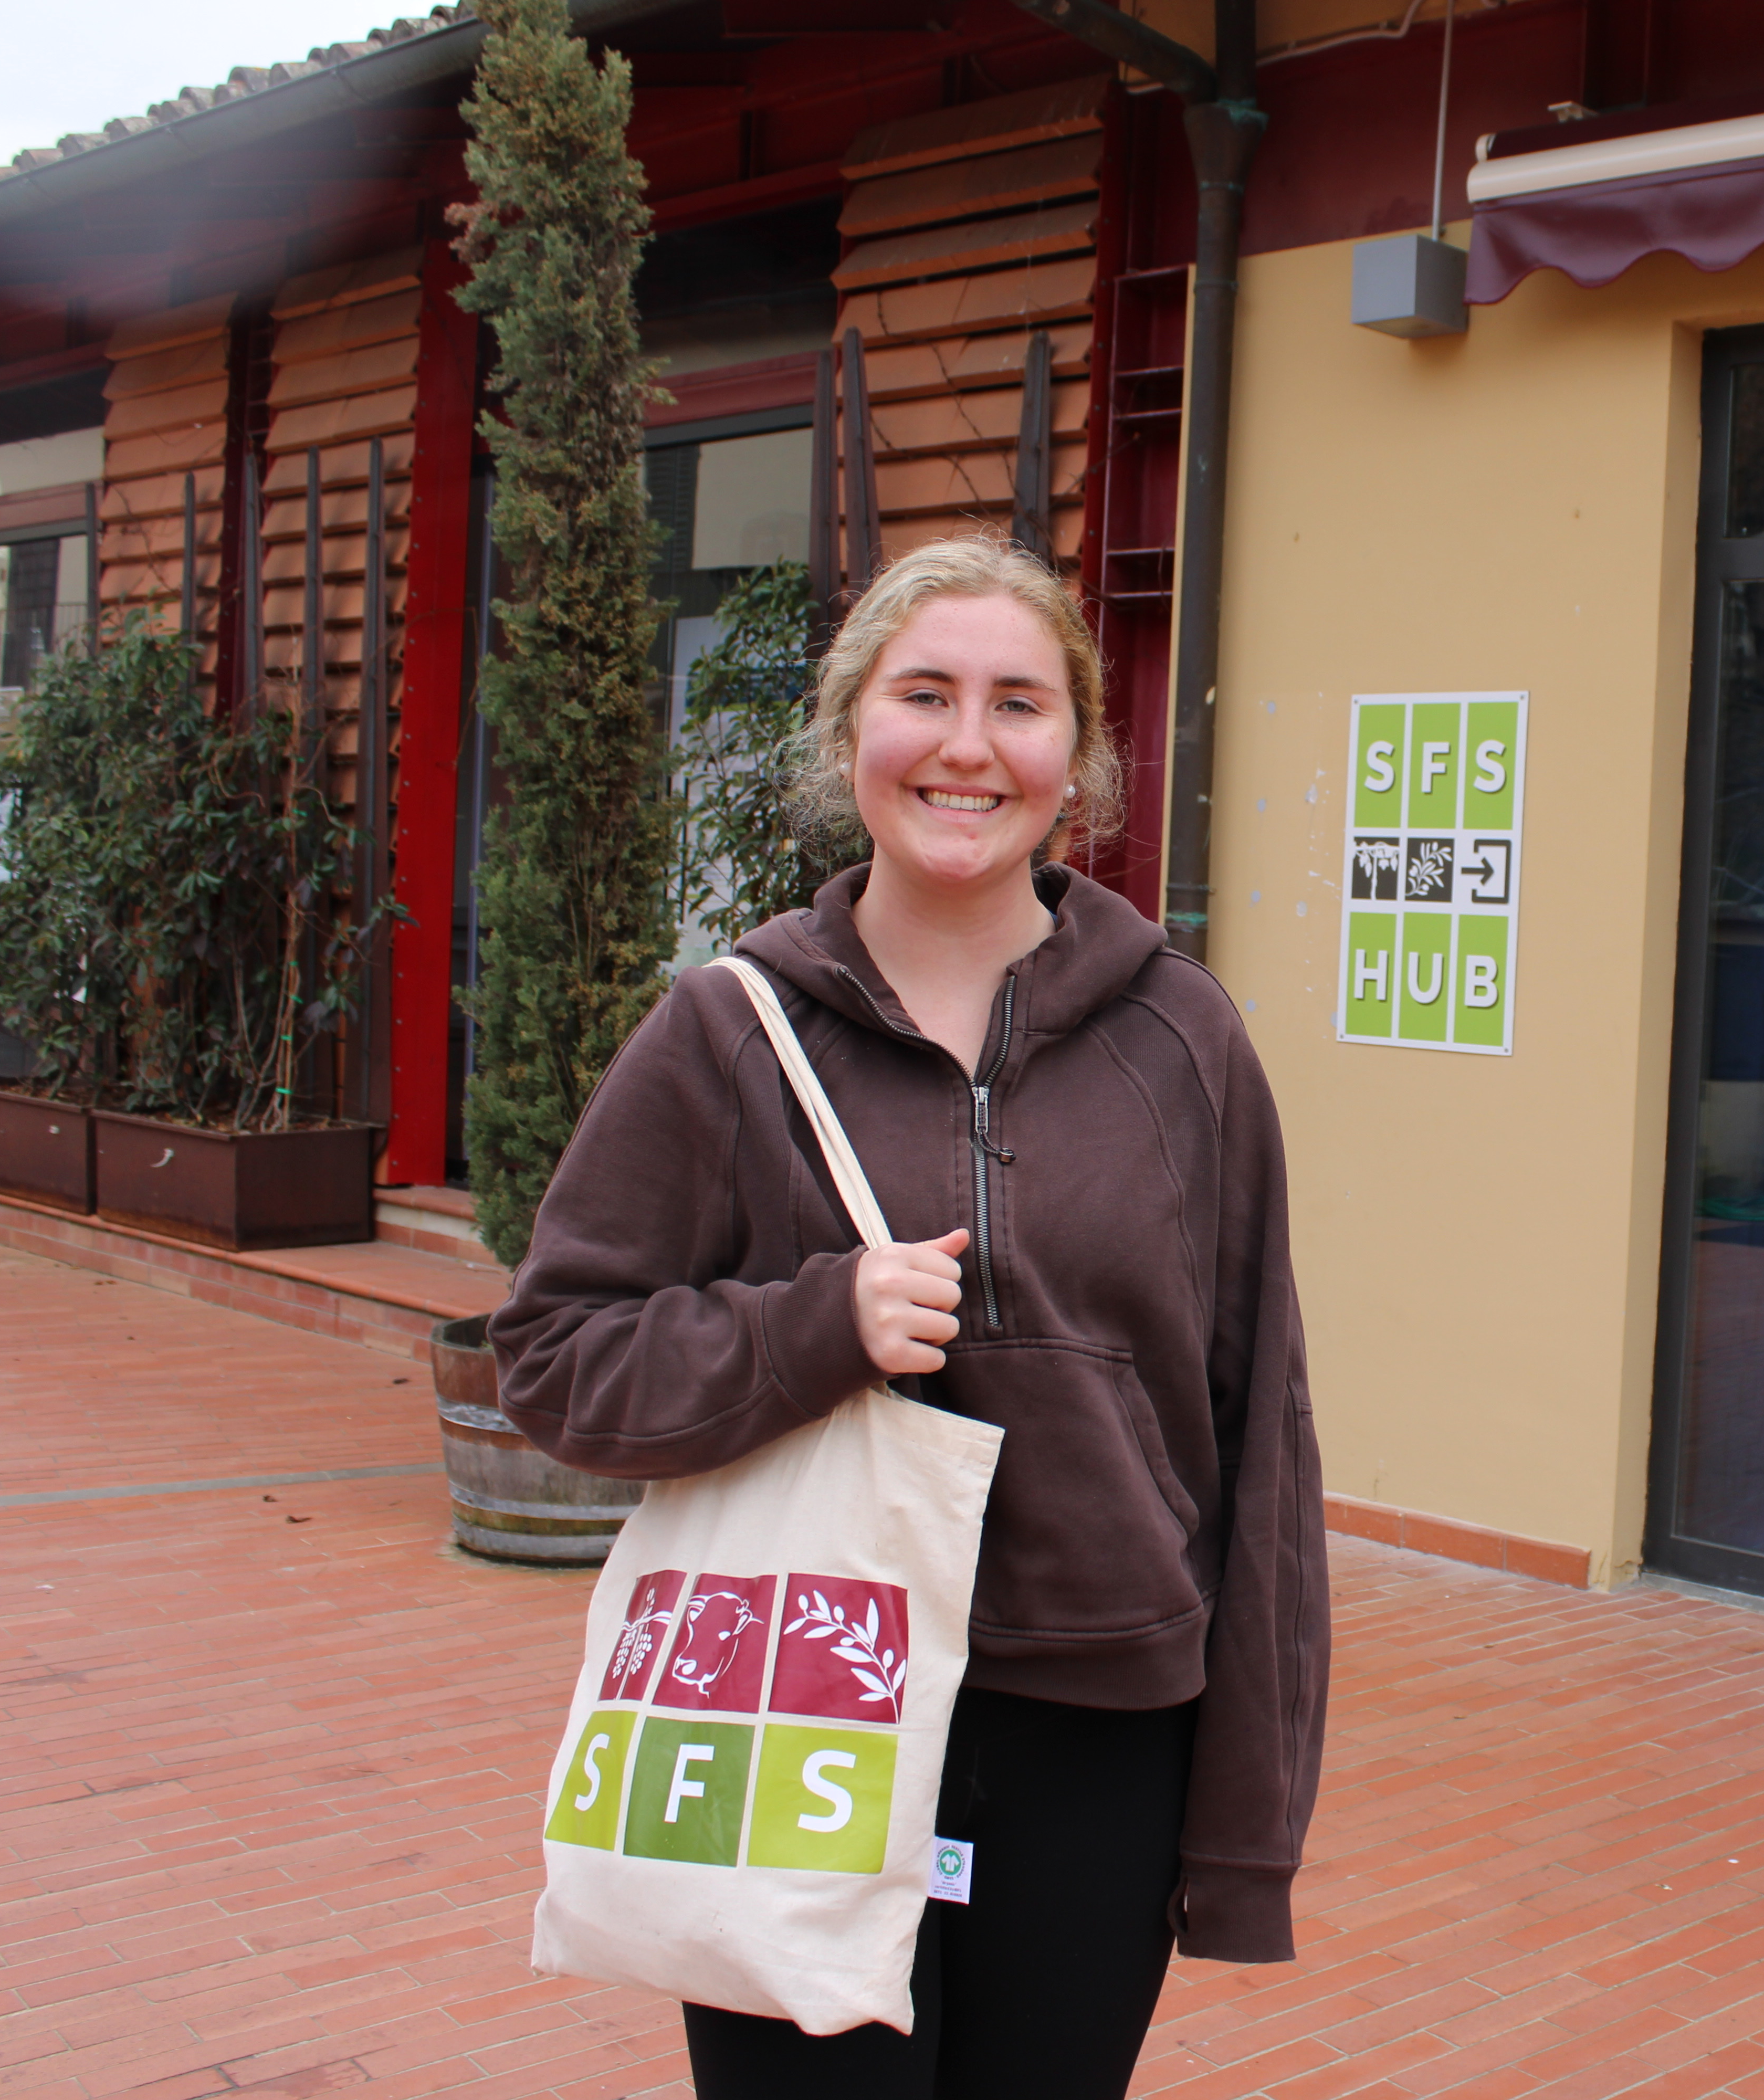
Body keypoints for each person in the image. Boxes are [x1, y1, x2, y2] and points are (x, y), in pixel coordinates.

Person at [491, 538, 1329, 2097]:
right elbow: (550, 1357)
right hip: (797, 1706)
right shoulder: (726, 1031)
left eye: (1018, 703)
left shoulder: (1182, 1037)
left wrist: (1242, 1829)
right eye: (922, 693)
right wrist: (812, 1324)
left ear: (1076, 758)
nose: (965, 743)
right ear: (846, 731)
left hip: (1096, 1735)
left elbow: (1258, 1442)